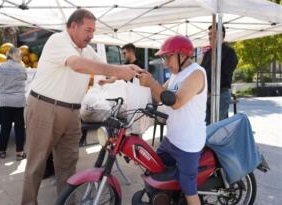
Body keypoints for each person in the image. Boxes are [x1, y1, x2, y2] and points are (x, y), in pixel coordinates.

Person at [21, 9, 139, 205]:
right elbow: (77, 65)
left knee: (67, 165)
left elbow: (102, 67)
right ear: (73, 26)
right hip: (44, 106)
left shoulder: (85, 49)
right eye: (88, 30)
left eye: (93, 31)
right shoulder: (58, 40)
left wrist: (132, 71)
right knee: (36, 164)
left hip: (73, 112)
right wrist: (118, 70)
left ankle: (68, 202)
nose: (91, 35)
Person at [139, 35, 207, 205]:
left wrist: (152, 82)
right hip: (171, 140)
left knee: (189, 188)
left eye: (167, 57)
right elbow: (162, 95)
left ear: (182, 55)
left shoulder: (196, 73)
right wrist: (145, 83)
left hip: (188, 144)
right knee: (153, 169)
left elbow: (175, 102)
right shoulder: (176, 75)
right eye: (164, 57)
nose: (165, 62)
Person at [0, 47, 26, 161]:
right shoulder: (21, 67)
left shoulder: (0, 66)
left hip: (5, 102)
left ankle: (2, 151)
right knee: (19, 128)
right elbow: (25, 78)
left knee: (5, 128)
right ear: (17, 55)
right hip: (19, 102)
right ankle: (19, 153)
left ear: (8, 55)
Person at [201, 24, 238, 125]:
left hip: (220, 94)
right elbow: (202, 73)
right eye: (208, 34)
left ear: (221, 34)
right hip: (206, 95)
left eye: (212, 33)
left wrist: (209, 90)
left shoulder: (229, 52)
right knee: (205, 126)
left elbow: (225, 76)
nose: (209, 36)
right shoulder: (208, 53)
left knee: (216, 128)